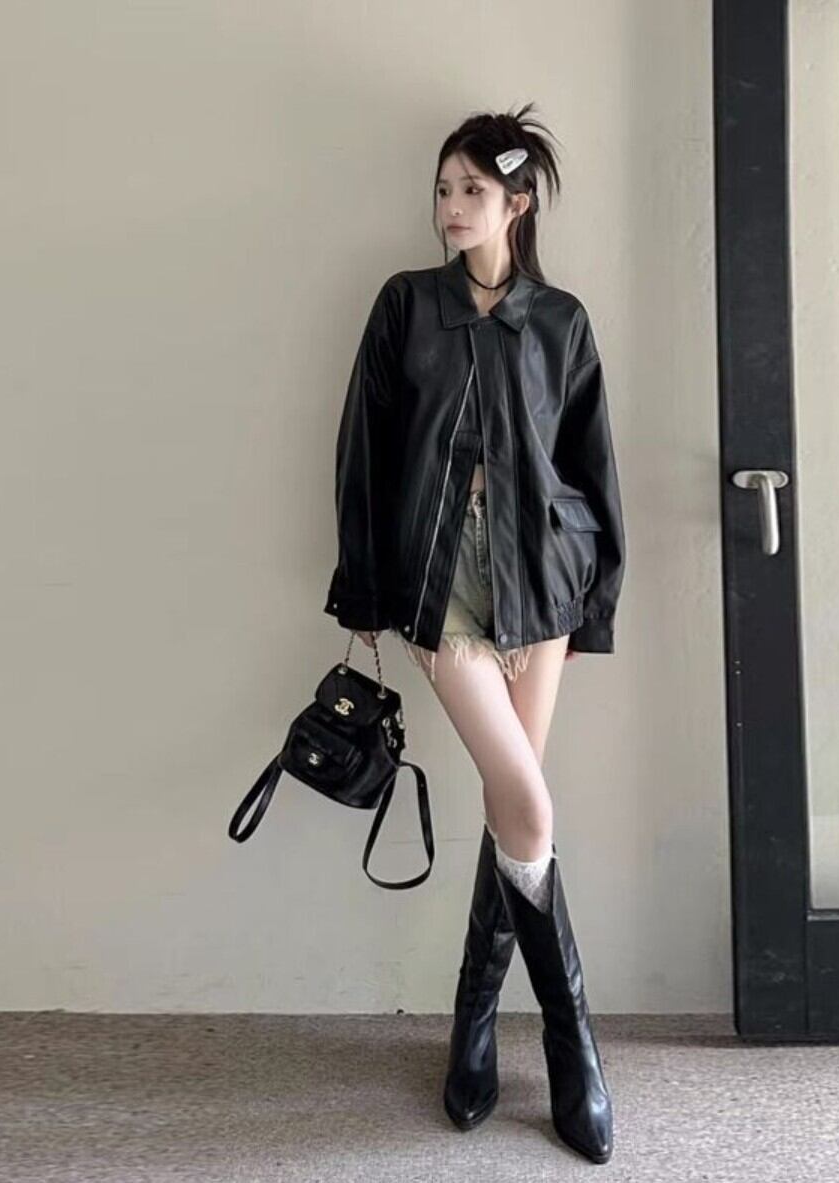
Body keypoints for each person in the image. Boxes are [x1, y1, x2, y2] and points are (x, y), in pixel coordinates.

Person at [323, 102, 625, 1165]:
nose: (451, 206)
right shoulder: (406, 305)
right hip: (439, 584)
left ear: (518, 201)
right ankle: (576, 1045)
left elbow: (591, 462)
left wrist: (595, 603)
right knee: (529, 801)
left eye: (472, 190)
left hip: (542, 586)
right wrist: (365, 589)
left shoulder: (562, 321)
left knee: (511, 812)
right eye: (444, 189)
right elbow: (363, 448)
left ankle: (475, 1027)